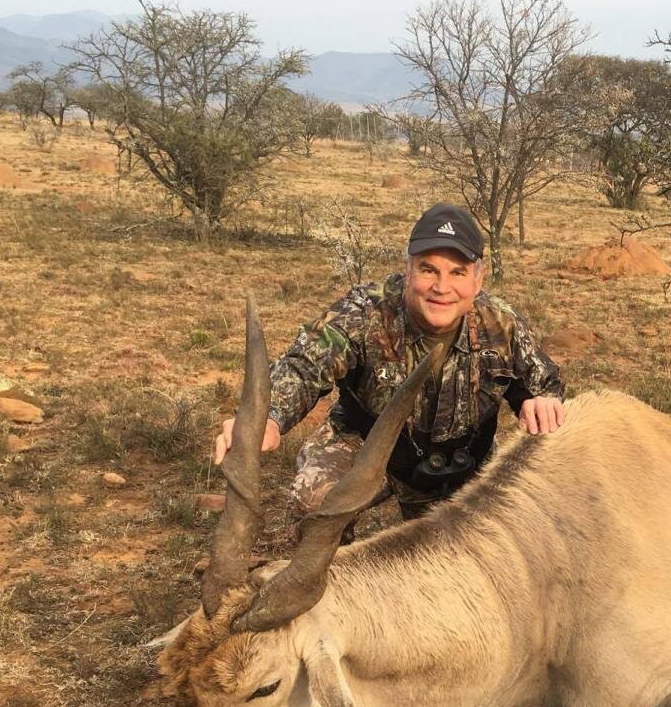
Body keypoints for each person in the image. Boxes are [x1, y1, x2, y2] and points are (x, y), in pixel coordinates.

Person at [213, 203, 566, 522]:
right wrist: (267, 417)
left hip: (460, 465)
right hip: (364, 449)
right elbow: (303, 367)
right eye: (428, 270)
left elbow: (542, 383)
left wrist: (541, 401)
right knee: (315, 503)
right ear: (408, 269)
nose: (441, 287)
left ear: (478, 279)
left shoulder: (501, 323)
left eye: (457, 273)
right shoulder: (364, 311)